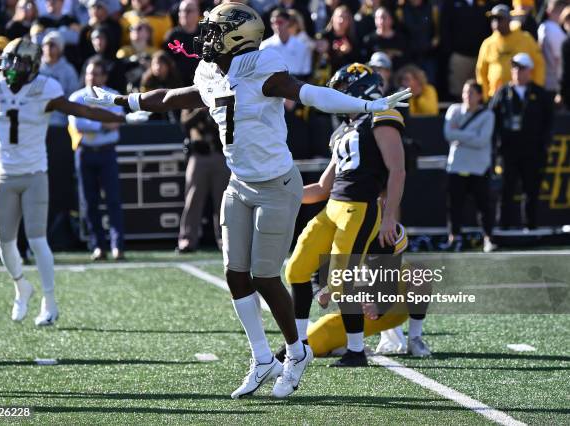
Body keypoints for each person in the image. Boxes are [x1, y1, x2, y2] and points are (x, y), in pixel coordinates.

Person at [85, 2, 411, 398]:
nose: (204, 38)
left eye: (213, 31)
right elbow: (173, 97)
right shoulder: (209, 71)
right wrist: (122, 100)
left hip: (277, 184)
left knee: (264, 276)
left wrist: (365, 106)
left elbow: (310, 94)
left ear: (236, 37)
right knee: (234, 273)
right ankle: (261, 358)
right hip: (239, 184)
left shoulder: (261, 68)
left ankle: (296, 351)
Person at [0, 38, 148, 326]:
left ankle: (50, 302)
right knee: (4, 243)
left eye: (17, 62)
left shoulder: (45, 88)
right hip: (5, 174)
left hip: (35, 174)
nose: (10, 67)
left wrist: (123, 117)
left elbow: (82, 110)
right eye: (7, 61)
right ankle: (21, 286)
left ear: (33, 66)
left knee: (37, 240)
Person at [280, 63, 416, 367]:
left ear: (358, 88)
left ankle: (356, 350)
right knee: (297, 269)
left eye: (341, 89)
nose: (337, 96)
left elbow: (398, 170)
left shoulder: (380, 118)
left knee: (342, 280)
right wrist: (284, 195)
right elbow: (323, 187)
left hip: (360, 207)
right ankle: (299, 344)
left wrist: (390, 216)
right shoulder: (343, 130)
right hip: (333, 208)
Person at [68, 59, 126, 261]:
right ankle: (98, 246)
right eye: (89, 73)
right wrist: (102, 123)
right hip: (85, 152)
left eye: (97, 74)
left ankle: (117, 245)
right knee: (89, 202)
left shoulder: (113, 95)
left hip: (107, 152)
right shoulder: (76, 97)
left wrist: (93, 121)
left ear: (104, 76)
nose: (92, 77)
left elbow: (117, 120)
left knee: (113, 200)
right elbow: (78, 125)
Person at [490, 53, 554, 229]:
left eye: (521, 68)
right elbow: (491, 119)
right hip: (508, 151)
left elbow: (549, 121)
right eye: (515, 68)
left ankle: (530, 227)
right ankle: (503, 228)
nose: (517, 72)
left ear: (530, 71)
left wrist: (544, 144)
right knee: (506, 191)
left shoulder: (539, 94)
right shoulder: (503, 92)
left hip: (532, 151)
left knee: (531, 190)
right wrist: (496, 147)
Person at [442, 79, 496, 252]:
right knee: (455, 206)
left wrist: (460, 135)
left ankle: (488, 239)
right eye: (465, 92)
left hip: (479, 168)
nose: (467, 96)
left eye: (471, 93)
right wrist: (470, 134)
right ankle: (453, 239)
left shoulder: (488, 115)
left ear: (480, 96)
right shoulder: (454, 110)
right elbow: (448, 134)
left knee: (483, 206)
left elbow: (482, 140)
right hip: (456, 167)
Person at [176, 107, 230, 252]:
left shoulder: (222, 99)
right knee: (192, 200)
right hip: (199, 156)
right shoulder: (192, 100)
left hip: (221, 154)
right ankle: (187, 239)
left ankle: (225, 241)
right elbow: (184, 123)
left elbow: (230, 126)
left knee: (224, 202)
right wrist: (201, 111)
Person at [476, 4, 545, 100]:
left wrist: (536, 90)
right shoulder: (488, 43)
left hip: (523, 95)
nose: (496, 23)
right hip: (495, 97)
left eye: (499, 19)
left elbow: (539, 64)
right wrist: (485, 95)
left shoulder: (525, 38)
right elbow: (481, 71)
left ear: (509, 20)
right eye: (493, 19)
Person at [40, 30, 80, 126]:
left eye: (53, 45)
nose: (49, 48)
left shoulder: (68, 70)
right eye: (46, 44)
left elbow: (72, 96)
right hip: (38, 119)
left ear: (60, 48)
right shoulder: (35, 68)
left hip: (60, 121)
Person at [260, 8, 312, 79]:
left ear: (288, 22)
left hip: (297, 86)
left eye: (280, 22)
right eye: (273, 23)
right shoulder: (264, 46)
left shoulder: (302, 46)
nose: (276, 26)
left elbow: (306, 73)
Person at [538, 0, 568, 94]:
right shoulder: (553, 30)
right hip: (554, 84)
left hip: (547, 80)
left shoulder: (544, 27)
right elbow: (558, 59)